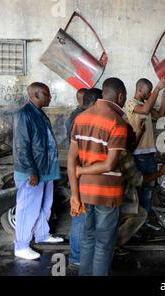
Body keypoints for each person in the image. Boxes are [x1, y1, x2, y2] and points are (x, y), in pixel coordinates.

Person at [68, 78, 128, 276]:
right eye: (124, 97)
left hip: (84, 191)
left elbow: (71, 160)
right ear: (120, 96)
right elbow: (109, 164)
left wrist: (74, 195)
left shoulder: (81, 118)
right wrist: (82, 170)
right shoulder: (117, 122)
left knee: (87, 238)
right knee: (103, 243)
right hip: (107, 193)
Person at [12, 82, 64, 260]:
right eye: (47, 94)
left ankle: (42, 235)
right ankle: (21, 246)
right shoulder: (24, 114)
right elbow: (21, 146)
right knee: (28, 208)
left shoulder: (39, 113)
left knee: (45, 204)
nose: (50, 97)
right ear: (35, 94)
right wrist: (31, 171)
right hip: (32, 171)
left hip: (44, 168)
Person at [124, 78, 165, 231]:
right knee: (141, 187)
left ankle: (144, 221)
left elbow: (161, 114)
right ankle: (137, 224)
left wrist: (163, 96)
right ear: (140, 89)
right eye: (148, 90)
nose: (150, 93)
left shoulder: (145, 105)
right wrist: (157, 89)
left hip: (149, 152)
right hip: (138, 153)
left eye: (151, 90)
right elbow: (144, 110)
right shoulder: (131, 104)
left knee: (149, 188)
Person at [66, 88, 102, 268]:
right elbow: (75, 155)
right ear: (96, 102)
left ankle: (82, 254)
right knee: (80, 216)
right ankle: (76, 257)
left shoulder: (82, 117)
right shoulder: (80, 119)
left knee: (85, 216)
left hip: (84, 173)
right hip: (82, 173)